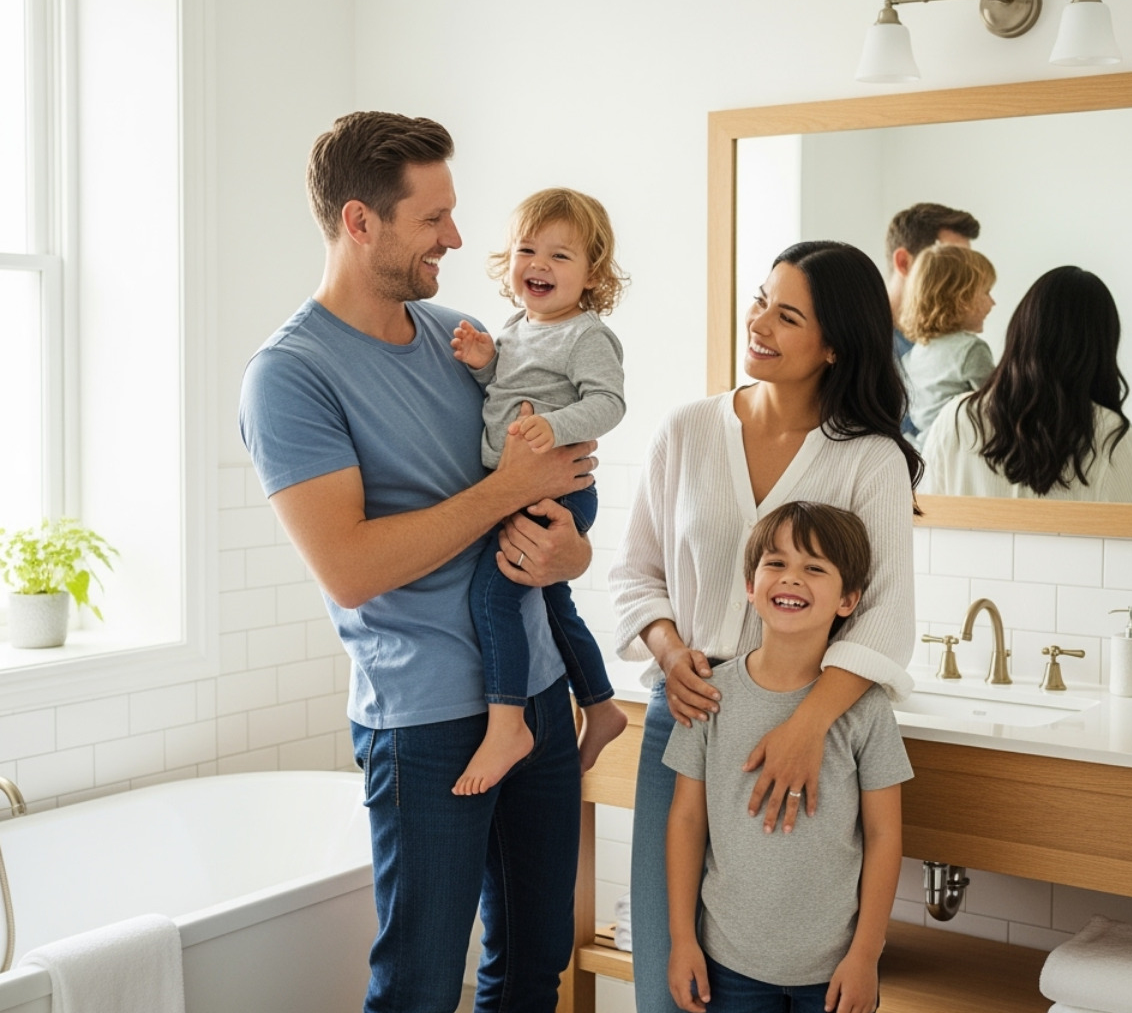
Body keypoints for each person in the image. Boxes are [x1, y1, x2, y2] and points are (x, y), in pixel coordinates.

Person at [237, 111, 597, 1013]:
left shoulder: (463, 337)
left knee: (533, 968)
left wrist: (571, 549)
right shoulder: (291, 374)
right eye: (433, 218)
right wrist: (507, 488)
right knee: (421, 986)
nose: (458, 237)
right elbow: (349, 568)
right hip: (427, 720)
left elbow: (552, 494)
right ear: (361, 223)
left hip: (538, 698)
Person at [609, 240, 920, 1013]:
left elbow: (887, 617)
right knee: (668, 979)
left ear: (835, 343)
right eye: (760, 301)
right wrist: (670, 649)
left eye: (788, 316)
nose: (761, 324)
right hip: (685, 716)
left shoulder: (869, 460)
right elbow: (634, 572)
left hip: (809, 724)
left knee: (785, 951)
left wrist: (807, 725)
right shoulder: (686, 429)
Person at [664, 501, 911, 1013]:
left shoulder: (866, 709)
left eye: (814, 568)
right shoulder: (711, 694)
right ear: (750, 588)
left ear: (848, 599)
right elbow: (687, 821)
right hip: (727, 962)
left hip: (835, 969)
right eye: (775, 563)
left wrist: (866, 955)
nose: (791, 578)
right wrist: (682, 940)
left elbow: (886, 837)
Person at [449, 187, 631, 796]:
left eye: (561, 256)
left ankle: (508, 726)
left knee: (494, 597)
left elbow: (608, 403)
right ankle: (600, 705)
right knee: (552, 605)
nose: (540, 265)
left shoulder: (586, 335)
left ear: (592, 273)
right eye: (528, 250)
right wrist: (483, 363)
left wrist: (555, 427)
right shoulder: (515, 329)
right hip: (518, 490)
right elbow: (504, 391)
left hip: (557, 491)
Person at [920, 265, 1132, 503]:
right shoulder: (1111, 436)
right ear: (1102, 347)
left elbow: (922, 522)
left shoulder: (955, 418)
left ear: (1021, 330)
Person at [882, 202, 981, 440]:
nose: (965, 282)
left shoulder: (959, 344)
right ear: (904, 262)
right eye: (950, 264)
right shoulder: (855, 343)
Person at [898, 243, 996, 449]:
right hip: (960, 452)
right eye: (986, 292)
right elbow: (999, 410)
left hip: (925, 451)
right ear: (961, 298)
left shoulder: (916, 353)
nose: (992, 302)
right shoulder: (970, 350)